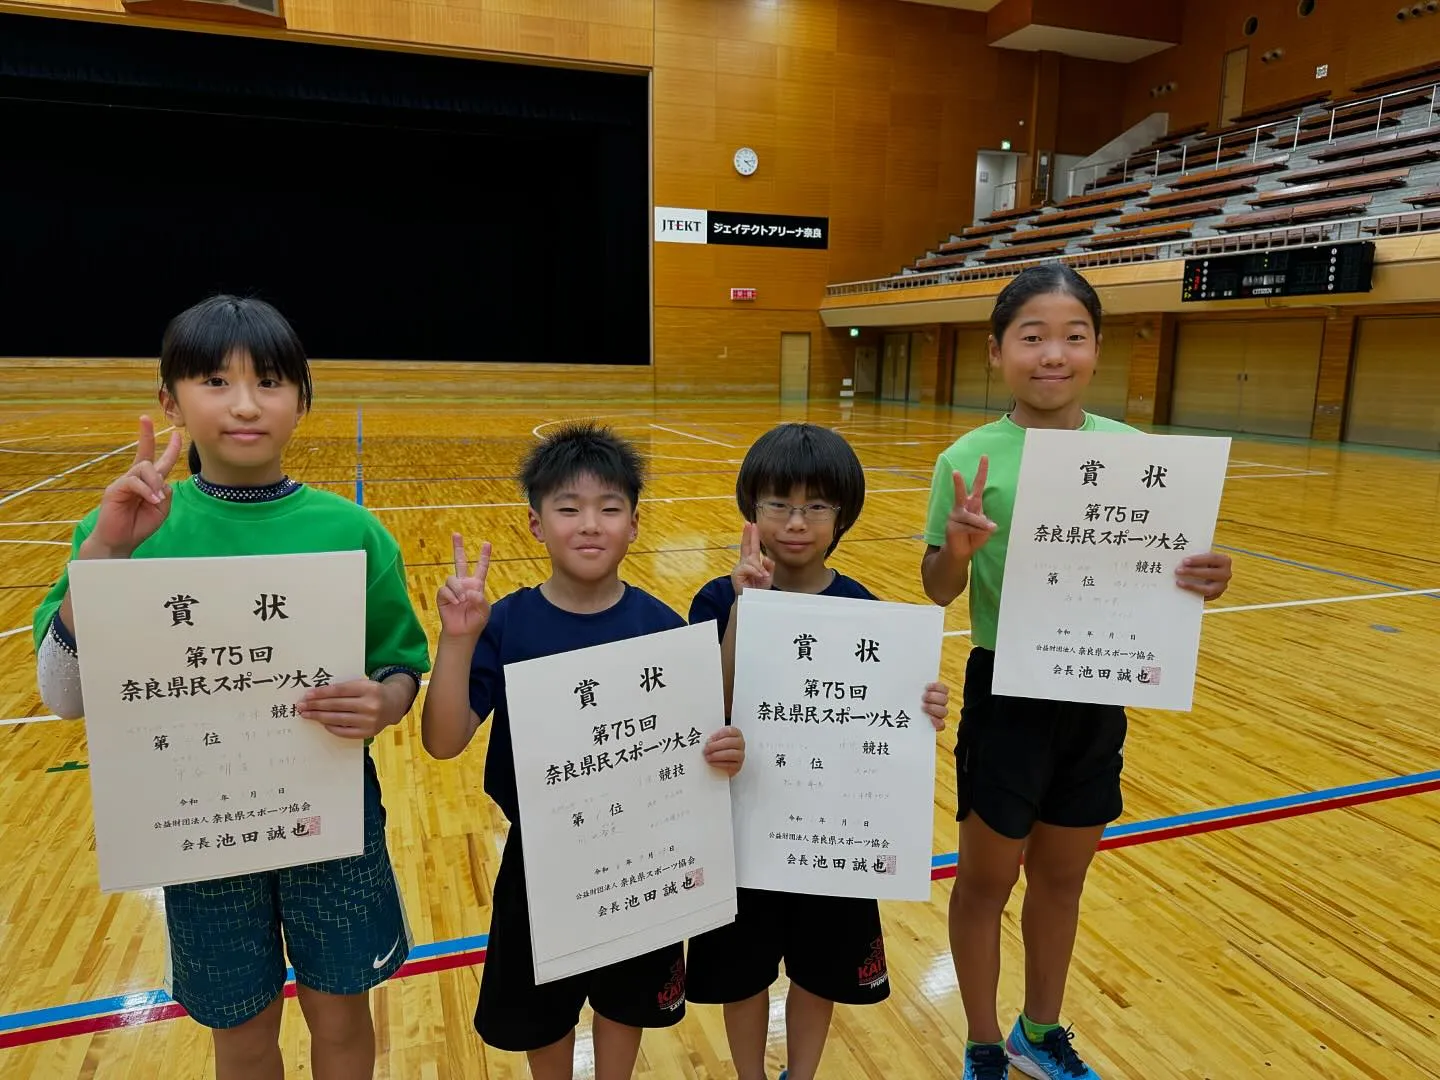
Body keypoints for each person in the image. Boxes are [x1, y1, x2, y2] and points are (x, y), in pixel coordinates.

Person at [33, 295, 430, 1080]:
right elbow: (65, 692)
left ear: (302, 401)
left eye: (271, 381)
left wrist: (384, 701)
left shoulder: (351, 532)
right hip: (199, 829)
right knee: (242, 1032)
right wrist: (108, 553)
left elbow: (399, 663)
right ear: (168, 400)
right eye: (215, 381)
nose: (246, 404)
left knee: (341, 1015)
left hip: (329, 819)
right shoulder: (122, 530)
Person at [919, 264, 1234, 1080]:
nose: (1052, 354)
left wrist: (1204, 576)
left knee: (1062, 878)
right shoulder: (968, 459)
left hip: (1098, 693)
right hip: (1009, 691)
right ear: (997, 352)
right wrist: (956, 548)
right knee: (985, 880)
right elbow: (938, 588)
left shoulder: (1137, 457)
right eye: (1031, 337)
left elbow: (1165, 571)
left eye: (1073, 336)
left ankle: (1039, 1029)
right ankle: (984, 1040)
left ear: (1097, 349)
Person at [420, 421, 746, 1080]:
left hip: (643, 853)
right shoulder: (506, 622)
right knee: (545, 1010)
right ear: (536, 525)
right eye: (568, 508)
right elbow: (443, 740)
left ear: (634, 524)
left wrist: (724, 750)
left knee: (627, 1002)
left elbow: (699, 742)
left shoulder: (661, 627)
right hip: (542, 859)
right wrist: (457, 641)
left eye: (609, 508)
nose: (589, 524)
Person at [685, 423, 951, 1080]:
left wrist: (924, 712)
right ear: (752, 508)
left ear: (842, 515)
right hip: (742, 828)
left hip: (831, 831)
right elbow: (706, 706)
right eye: (778, 503)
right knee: (741, 974)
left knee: (820, 971)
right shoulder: (719, 598)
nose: (795, 522)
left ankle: (799, 1075)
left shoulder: (861, 608)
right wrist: (749, 606)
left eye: (816, 506)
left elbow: (883, 720)